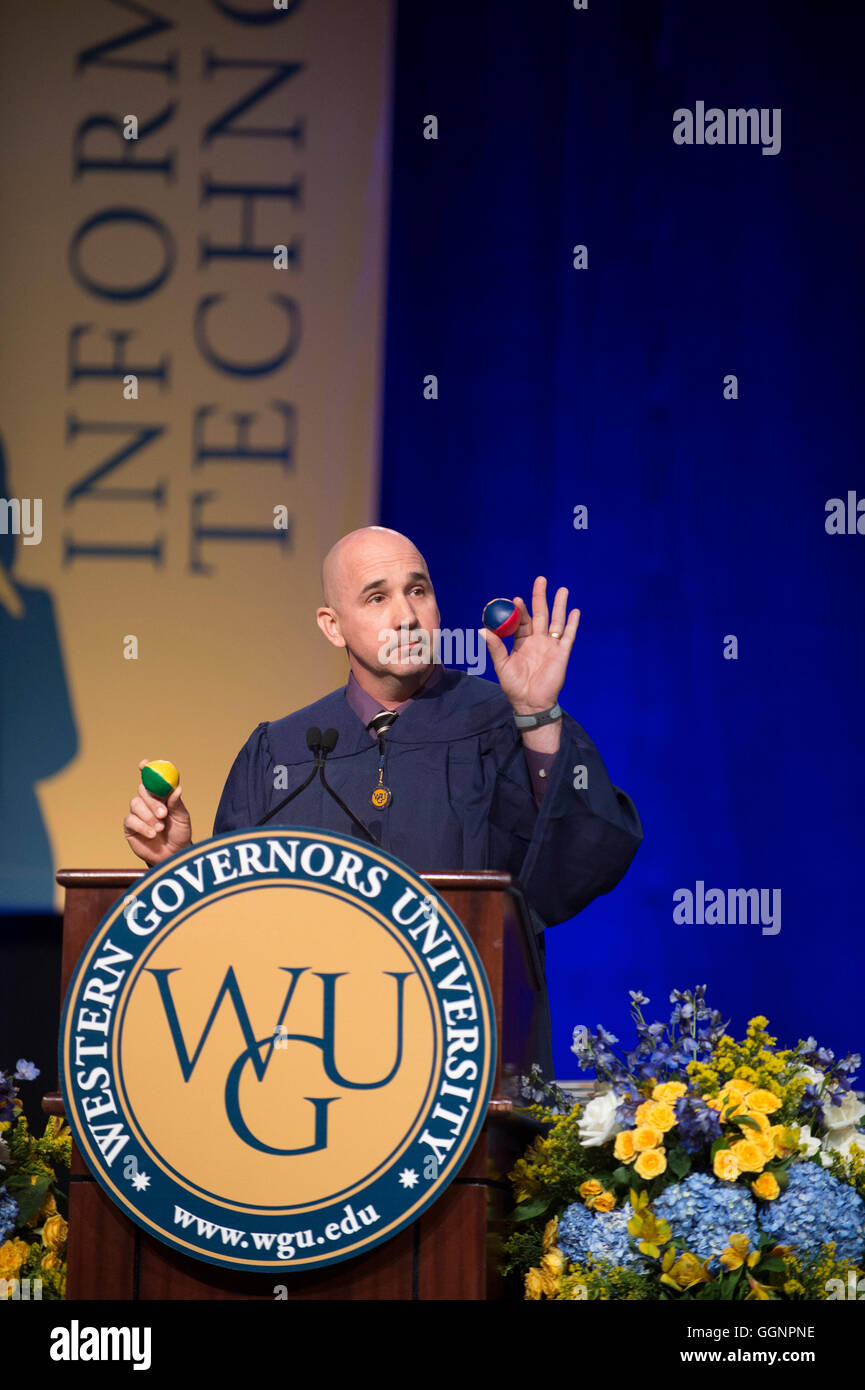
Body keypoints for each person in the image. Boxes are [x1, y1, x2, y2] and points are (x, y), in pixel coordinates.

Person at [123, 526, 642, 1073]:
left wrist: (537, 717)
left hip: (466, 1057)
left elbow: (584, 859)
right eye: (377, 597)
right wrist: (176, 865)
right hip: (307, 1064)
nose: (407, 616)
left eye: (418, 591)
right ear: (332, 626)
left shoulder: (500, 723)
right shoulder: (281, 750)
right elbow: (238, 929)